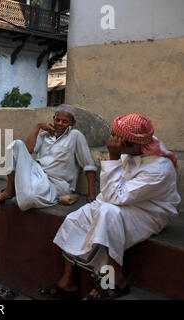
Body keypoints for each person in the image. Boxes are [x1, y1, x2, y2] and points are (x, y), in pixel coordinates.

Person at [39, 114, 180, 300]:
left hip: (150, 211)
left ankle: (116, 280)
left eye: (117, 139)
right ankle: (68, 282)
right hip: (123, 201)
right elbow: (111, 192)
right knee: (75, 218)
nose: (113, 141)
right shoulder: (134, 150)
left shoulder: (158, 168)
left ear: (131, 143)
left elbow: (114, 196)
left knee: (107, 213)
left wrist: (113, 156)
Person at [0, 104, 97, 210]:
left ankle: (19, 191)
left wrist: (91, 194)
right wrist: (38, 127)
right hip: (37, 174)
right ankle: (9, 190)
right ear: (53, 119)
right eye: (58, 120)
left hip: (56, 184)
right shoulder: (45, 135)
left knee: (28, 199)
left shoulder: (75, 136)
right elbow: (27, 149)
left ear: (72, 123)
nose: (60, 124)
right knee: (16, 145)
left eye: (65, 121)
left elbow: (89, 165)